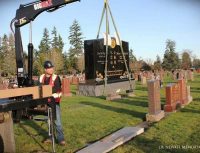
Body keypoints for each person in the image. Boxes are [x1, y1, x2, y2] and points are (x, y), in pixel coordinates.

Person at [40, 60, 66, 146]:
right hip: (46, 102)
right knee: (49, 121)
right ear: (45, 69)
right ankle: (50, 138)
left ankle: (61, 138)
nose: (51, 69)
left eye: (52, 67)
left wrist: (46, 90)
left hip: (54, 102)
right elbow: (39, 88)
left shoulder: (56, 77)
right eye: (49, 68)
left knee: (57, 121)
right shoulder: (41, 77)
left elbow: (56, 88)